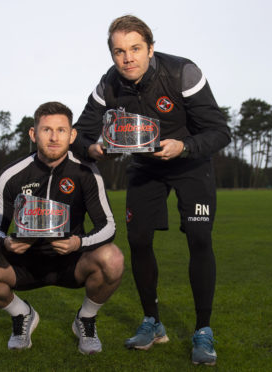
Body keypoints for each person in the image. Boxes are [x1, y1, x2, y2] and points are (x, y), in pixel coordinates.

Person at [71, 15, 230, 365]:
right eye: (119, 51)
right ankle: (152, 322)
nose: (127, 58)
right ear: (112, 54)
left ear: (150, 48)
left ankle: (203, 330)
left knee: (200, 239)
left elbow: (220, 132)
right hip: (145, 167)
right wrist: (94, 149)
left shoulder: (182, 72)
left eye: (135, 49)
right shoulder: (108, 85)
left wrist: (183, 146)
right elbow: (80, 135)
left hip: (190, 163)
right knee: (139, 240)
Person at [0, 101, 124, 355]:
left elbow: (108, 226)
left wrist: (78, 243)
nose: (54, 137)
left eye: (61, 130)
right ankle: (22, 315)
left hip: (71, 260)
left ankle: (86, 320)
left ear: (72, 135)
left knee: (113, 259)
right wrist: (5, 243)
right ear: (33, 134)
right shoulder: (11, 175)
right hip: (24, 262)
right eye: (46, 129)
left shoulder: (87, 172)